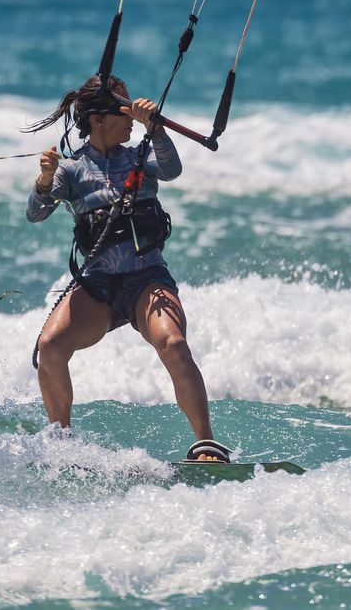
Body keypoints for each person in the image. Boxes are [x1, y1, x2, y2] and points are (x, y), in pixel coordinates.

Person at [25, 74, 230, 463]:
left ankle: (206, 444)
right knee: (50, 349)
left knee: (173, 343)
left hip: (146, 279)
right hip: (99, 284)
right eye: (123, 109)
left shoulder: (140, 155)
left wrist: (157, 129)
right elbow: (36, 214)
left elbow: (171, 170)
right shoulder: (71, 171)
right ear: (99, 119)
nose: (131, 117)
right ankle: (61, 446)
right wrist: (44, 179)